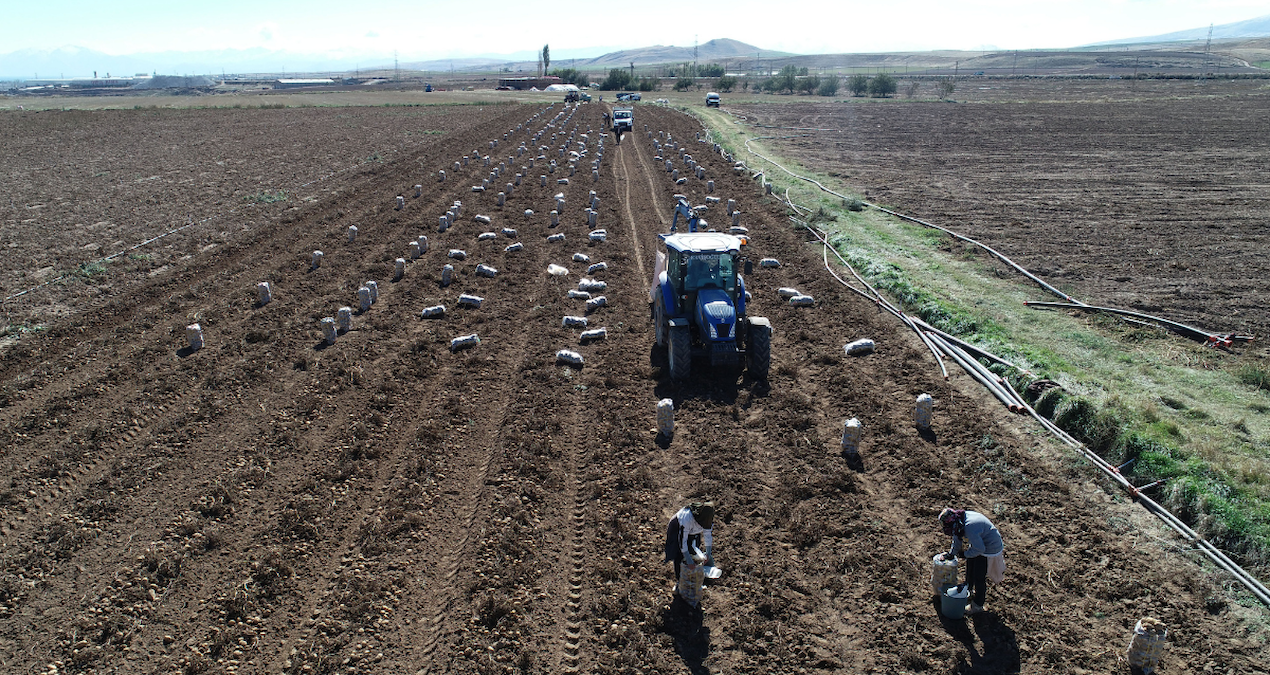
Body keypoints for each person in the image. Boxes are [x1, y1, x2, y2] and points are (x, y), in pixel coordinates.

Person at [938, 508, 1005, 615]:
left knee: (979, 576)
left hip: (990, 547)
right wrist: (952, 553)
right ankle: (967, 589)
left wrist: (964, 554)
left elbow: (980, 549)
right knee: (970, 565)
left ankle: (978, 605)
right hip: (980, 544)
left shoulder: (969, 527)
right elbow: (957, 537)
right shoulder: (958, 520)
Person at [663, 502, 715, 609]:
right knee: (679, 555)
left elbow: (708, 534)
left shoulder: (706, 520)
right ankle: (680, 582)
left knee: (694, 551)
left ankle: (694, 582)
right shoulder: (686, 519)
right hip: (677, 529)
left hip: (692, 531)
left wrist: (708, 552)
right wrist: (688, 560)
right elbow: (682, 542)